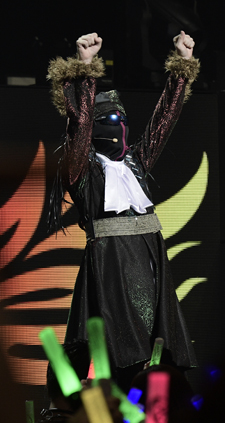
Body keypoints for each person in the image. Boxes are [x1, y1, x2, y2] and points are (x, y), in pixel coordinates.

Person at [47, 31, 199, 389]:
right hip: (112, 264)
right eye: (111, 120)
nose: (120, 127)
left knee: (156, 343)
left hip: (150, 259)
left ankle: (156, 399)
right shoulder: (82, 171)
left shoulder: (135, 165)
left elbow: (164, 121)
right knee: (122, 345)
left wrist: (182, 65)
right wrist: (86, 67)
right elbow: (80, 126)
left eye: (123, 119)